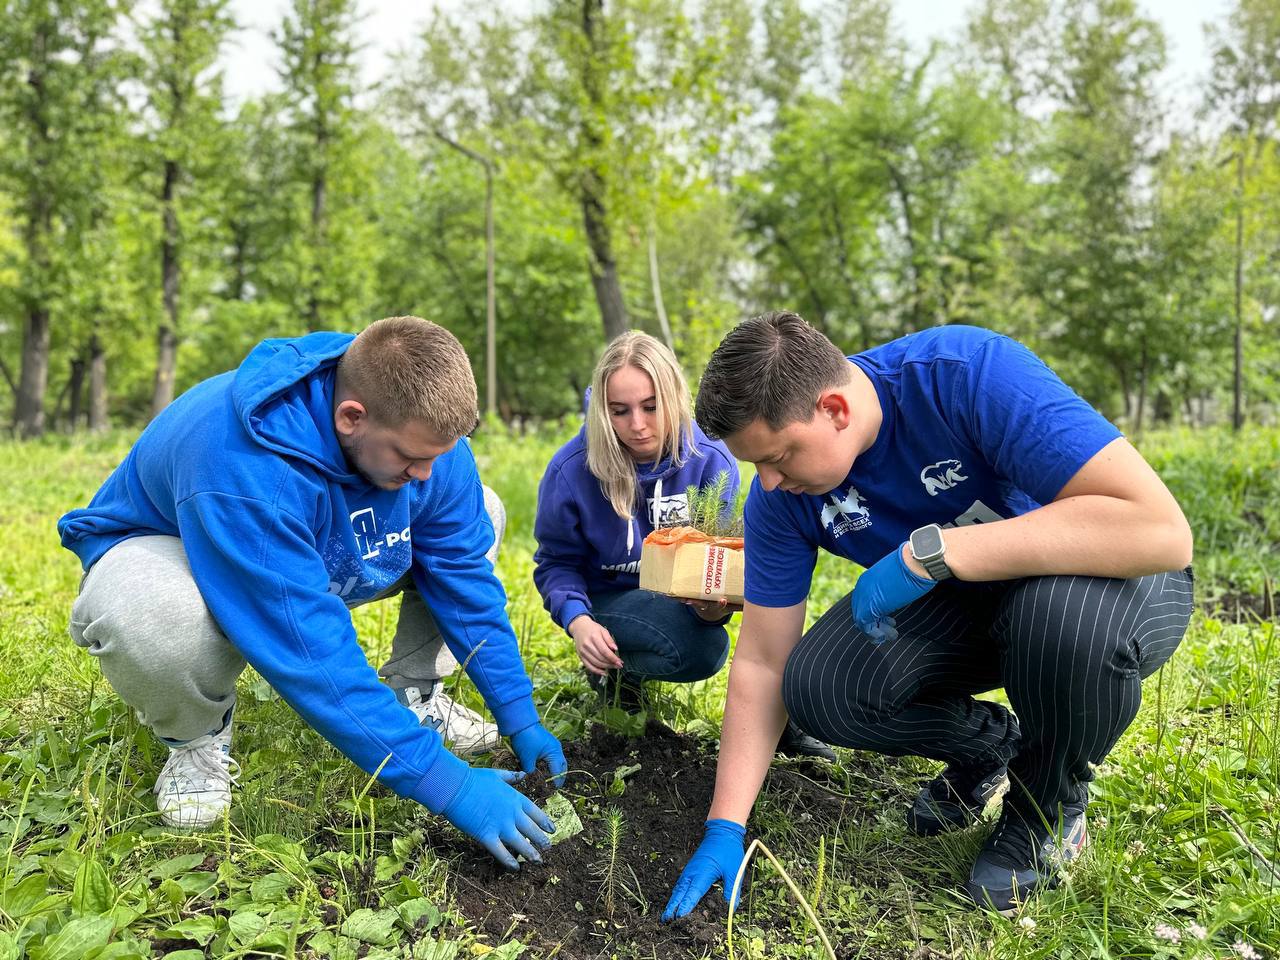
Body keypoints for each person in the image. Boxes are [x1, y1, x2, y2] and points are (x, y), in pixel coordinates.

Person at [663, 313, 1194, 918]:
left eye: (779, 457)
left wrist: (933, 554)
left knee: (1057, 621)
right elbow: (762, 663)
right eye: (756, 464)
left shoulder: (965, 375)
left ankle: (1047, 803)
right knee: (819, 686)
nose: (771, 481)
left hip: (1109, 579)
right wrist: (725, 826)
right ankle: (992, 749)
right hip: (977, 603)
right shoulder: (780, 500)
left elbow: (1159, 530)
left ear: (835, 409)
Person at [58, 316, 567, 871]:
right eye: (409, 458)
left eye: (439, 455)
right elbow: (311, 653)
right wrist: (450, 786)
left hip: (311, 541)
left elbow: (465, 584)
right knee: (153, 616)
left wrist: (519, 715)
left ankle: (415, 697)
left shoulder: (421, 439)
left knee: (480, 511)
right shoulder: (246, 465)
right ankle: (196, 740)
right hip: (177, 545)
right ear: (352, 417)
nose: (426, 473)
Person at [533, 331, 834, 759]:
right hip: (607, 599)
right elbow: (555, 562)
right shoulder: (573, 469)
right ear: (603, 410)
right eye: (619, 411)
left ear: (673, 396)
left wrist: (715, 607)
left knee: (718, 635)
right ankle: (617, 678)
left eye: (650, 407)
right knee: (697, 647)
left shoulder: (710, 459)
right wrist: (578, 620)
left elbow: (723, 562)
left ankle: (781, 718)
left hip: (677, 597)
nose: (637, 425)